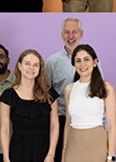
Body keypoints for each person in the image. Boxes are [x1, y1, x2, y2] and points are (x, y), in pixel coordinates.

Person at [0, 50, 58, 162]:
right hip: (18, 149)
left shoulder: (49, 94)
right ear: (19, 65)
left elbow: (54, 125)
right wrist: (6, 158)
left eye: (36, 65)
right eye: (27, 63)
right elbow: (5, 129)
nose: (31, 68)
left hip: (44, 149)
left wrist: (51, 154)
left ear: (40, 69)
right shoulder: (9, 95)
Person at [63, 45, 116, 162]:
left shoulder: (106, 88)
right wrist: (64, 151)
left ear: (95, 62)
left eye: (86, 59)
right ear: (74, 64)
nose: (82, 64)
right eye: (78, 60)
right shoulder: (69, 89)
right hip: (73, 144)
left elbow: (112, 125)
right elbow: (68, 122)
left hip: (97, 144)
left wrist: (110, 156)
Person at [46, 18, 86, 162]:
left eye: (74, 32)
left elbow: (100, 94)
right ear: (62, 35)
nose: (70, 36)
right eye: (67, 32)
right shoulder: (52, 62)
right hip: (60, 120)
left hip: (85, 121)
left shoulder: (93, 61)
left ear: (81, 34)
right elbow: (46, 94)